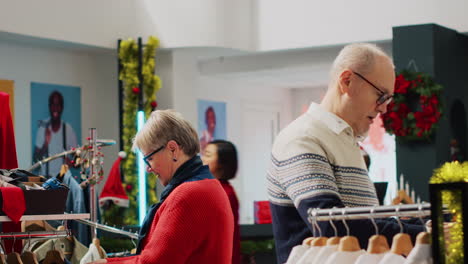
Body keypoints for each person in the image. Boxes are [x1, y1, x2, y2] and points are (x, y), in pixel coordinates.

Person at [267, 43, 425, 263]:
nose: (384, 108)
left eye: (388, 99)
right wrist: (426, 231)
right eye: (381, 96)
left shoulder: (343, 140)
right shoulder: (303, 138)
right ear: (347, 81)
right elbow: (331, 224)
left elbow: (362, 222)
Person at [89, 110, 234, 264]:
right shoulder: (209, 186)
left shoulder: (188, 194)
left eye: (149, 158)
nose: (148, 168)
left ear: (172, 149)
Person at [202, 140, 240, 264]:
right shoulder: (214, 189)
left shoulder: (224, 193)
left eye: (207, 155)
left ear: (222, 163)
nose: (202, 159)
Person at [33, 90, 78, 177]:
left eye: (58, 105)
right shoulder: (43, 127)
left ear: (62, 107)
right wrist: (45, 144)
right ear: (49, 106)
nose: (55, 108)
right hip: (45, 182)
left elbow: (78, 162)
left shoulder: (68, 130)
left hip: (63, 182)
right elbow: (35, 161)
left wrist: (72, 163)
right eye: (53, 104)